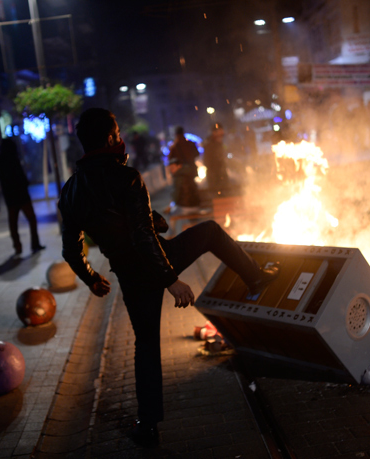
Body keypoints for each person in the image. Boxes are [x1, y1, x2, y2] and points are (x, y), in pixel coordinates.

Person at [58, 108, 280, 447]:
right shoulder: (127, 175)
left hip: (129, 276)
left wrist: (91, 278)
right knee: (209, 232)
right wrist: (170, 279)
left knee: (145, 346)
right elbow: (143, 236)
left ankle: (147, 427)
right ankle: (256, 279)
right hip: (156, 262)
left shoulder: (71, 190)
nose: (120, 139)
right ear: (107, 138)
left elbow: (72, 250)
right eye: (116, 133)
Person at [0, 138, 45, 256]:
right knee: (31, 219)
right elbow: (21, 178)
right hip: (22, 196)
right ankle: (35, 244)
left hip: (10, 198)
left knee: (13, 223)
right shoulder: (14, 159)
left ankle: (17, 246)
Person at [167, 126, 200, 209]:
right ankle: (194, 207)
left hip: (181, 172)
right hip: (191, 171)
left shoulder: (174, 147)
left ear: (176, 134)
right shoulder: (190, 144)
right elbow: (197, 154)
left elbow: (170, 158)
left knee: (181, 188)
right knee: (192, 187)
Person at [202, 123, 230, 195]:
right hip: (215, 178)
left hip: (220, 176)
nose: (223, 133)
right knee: (218, 199)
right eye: (221, 131)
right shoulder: (210, 144)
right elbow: (208, 162)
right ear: (214, 132)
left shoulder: (218, 143)